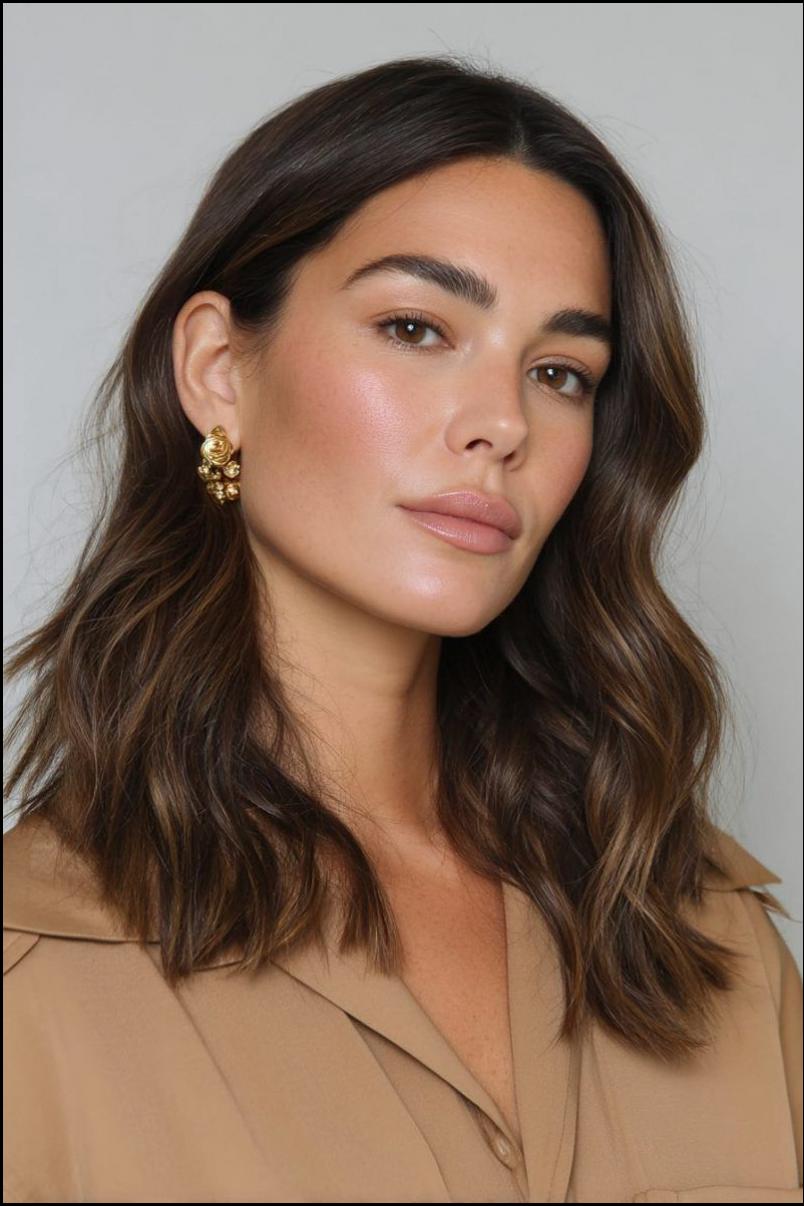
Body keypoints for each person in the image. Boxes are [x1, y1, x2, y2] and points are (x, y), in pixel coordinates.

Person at [4, 53, 802, 1203]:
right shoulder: (32, 980)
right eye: (418, 328)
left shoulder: (705, 936)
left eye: (562, 372)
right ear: (220, 370)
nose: (501, 424)